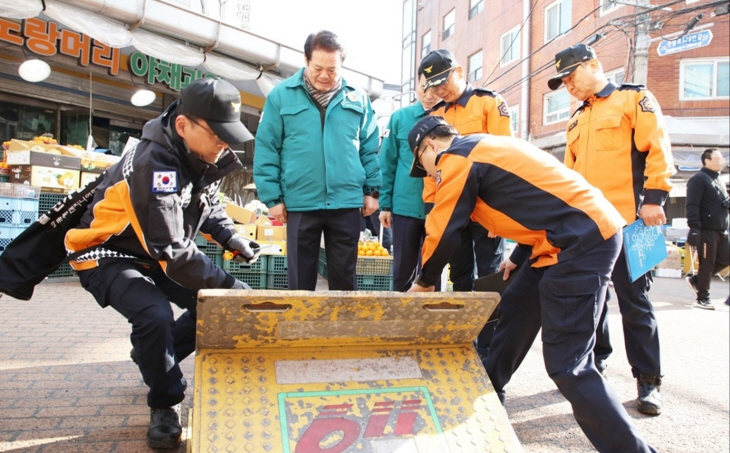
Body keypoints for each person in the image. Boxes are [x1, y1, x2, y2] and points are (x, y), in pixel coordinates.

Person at [406, 116, 656, 453]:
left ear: (430, 147)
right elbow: (542, 197)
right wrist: (520, 253)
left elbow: (446, 225)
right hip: (559, 241)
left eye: (423, 165)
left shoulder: (457, 158)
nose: (429, 175)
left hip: (580, 243)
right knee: (515, 310)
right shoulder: (487, 146)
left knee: (569, 366)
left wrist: (424, 281)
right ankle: (486, 396)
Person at [63, 78, 260, 449]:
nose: (224, 144)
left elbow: (207, 204)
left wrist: (232, 238)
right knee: (155, 314)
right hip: (107, 252)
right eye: (217, 134)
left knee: (211, 309)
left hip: (156, 253)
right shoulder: (155, 163)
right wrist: (231, 287)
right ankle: (165, 403)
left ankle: (154, 355)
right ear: (184, 125)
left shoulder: (201, 154)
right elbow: (170, 247)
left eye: (228, 135)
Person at [552, 43, 674, 415]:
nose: (569, 86)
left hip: (634, 222)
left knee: (635, 302)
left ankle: (648, 380)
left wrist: (655, 198)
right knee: (593, 300)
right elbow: (570, 178)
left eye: (572, 76)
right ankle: (596, 365)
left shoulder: (633, 99)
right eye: (564, 81)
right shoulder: (575, 120)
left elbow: (657, 148)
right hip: (590, 228)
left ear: (593, 65)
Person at [254, 30, 381, 290]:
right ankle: (302, 331)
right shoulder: (281, 96)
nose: (325, 75)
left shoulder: (358, 98)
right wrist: (273, 198)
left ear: (342, 65)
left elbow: (369, 148)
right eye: (318, 68)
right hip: (301, 201)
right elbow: (267, 148)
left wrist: (372, 191)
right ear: (306, 60)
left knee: (345, 278)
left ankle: (341, 329)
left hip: (346, 201)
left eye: (332, 70)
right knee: (300, 279)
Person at [419, 48, 513, 355]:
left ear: (459, 71)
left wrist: (504, 212)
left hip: (487, 211)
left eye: (444, 80)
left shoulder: (489, 103)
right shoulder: (435, 117)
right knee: (459, 275)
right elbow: (430, 173)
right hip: (454, 210)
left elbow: (506, 158)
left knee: (489, 277)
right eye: (434, 85)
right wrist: (433, 208)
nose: (440, 89)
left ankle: (489, 349)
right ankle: (463, 341)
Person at [378, 68, 441, 291]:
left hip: (439, 208)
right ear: (416, 85)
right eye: (424, 86)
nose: (429, 94)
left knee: (433, 272)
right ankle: (401, 322)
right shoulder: (399, 118)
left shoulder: (450, 117)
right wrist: (385, 204)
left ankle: (431, 323)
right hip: (405, 207)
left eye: (435, 88)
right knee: (402, 272)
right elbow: (387, 163)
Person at [685, 148, 729, 310]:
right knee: (707, 264)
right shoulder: (699, 179)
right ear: (707, 161)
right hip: (705, 229)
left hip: (721, 229)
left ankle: (697, 280)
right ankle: (702, 298)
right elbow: (692, 204)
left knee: (725, 258)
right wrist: (694, 227)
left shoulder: (719, 180)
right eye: (718, 158)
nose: (722, 161)